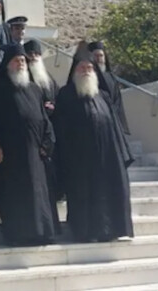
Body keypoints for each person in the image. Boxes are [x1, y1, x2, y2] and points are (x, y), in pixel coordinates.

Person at [54, 45, 134, 242]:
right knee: (84, 195)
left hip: (107, 157)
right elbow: (61, 129)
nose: (86, 71)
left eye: (89, 68)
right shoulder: (65, 95)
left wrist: (121, 155)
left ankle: (109, 231)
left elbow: (115, 127)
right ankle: (85, 232)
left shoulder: (103, 96)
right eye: (82, 68)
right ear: (74, 71)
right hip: (80, 158)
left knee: (108, 192)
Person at [0, 44, 58, 246]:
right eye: (16, 61)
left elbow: (44, 119)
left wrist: (47, 143)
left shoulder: (34, 89)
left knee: (38, 193)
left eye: (23, 61)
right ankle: (19, 235)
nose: (21, 64)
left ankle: (42, 232)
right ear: (8, 64)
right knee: (16, 194)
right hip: (11, 153)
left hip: (36, 151)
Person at [88, 41, 131, 135]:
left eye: (101, 55)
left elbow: (117, 101)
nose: (98, 58)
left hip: (112, 123)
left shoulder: (111, 78)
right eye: (95, 56)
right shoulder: (85, 79)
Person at [25, 40, 59, 117]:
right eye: (30, 54)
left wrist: (53, 105)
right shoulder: (23, 78)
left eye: (36, 54)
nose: (34, 57)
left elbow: (58, 95)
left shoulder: (48, 77)